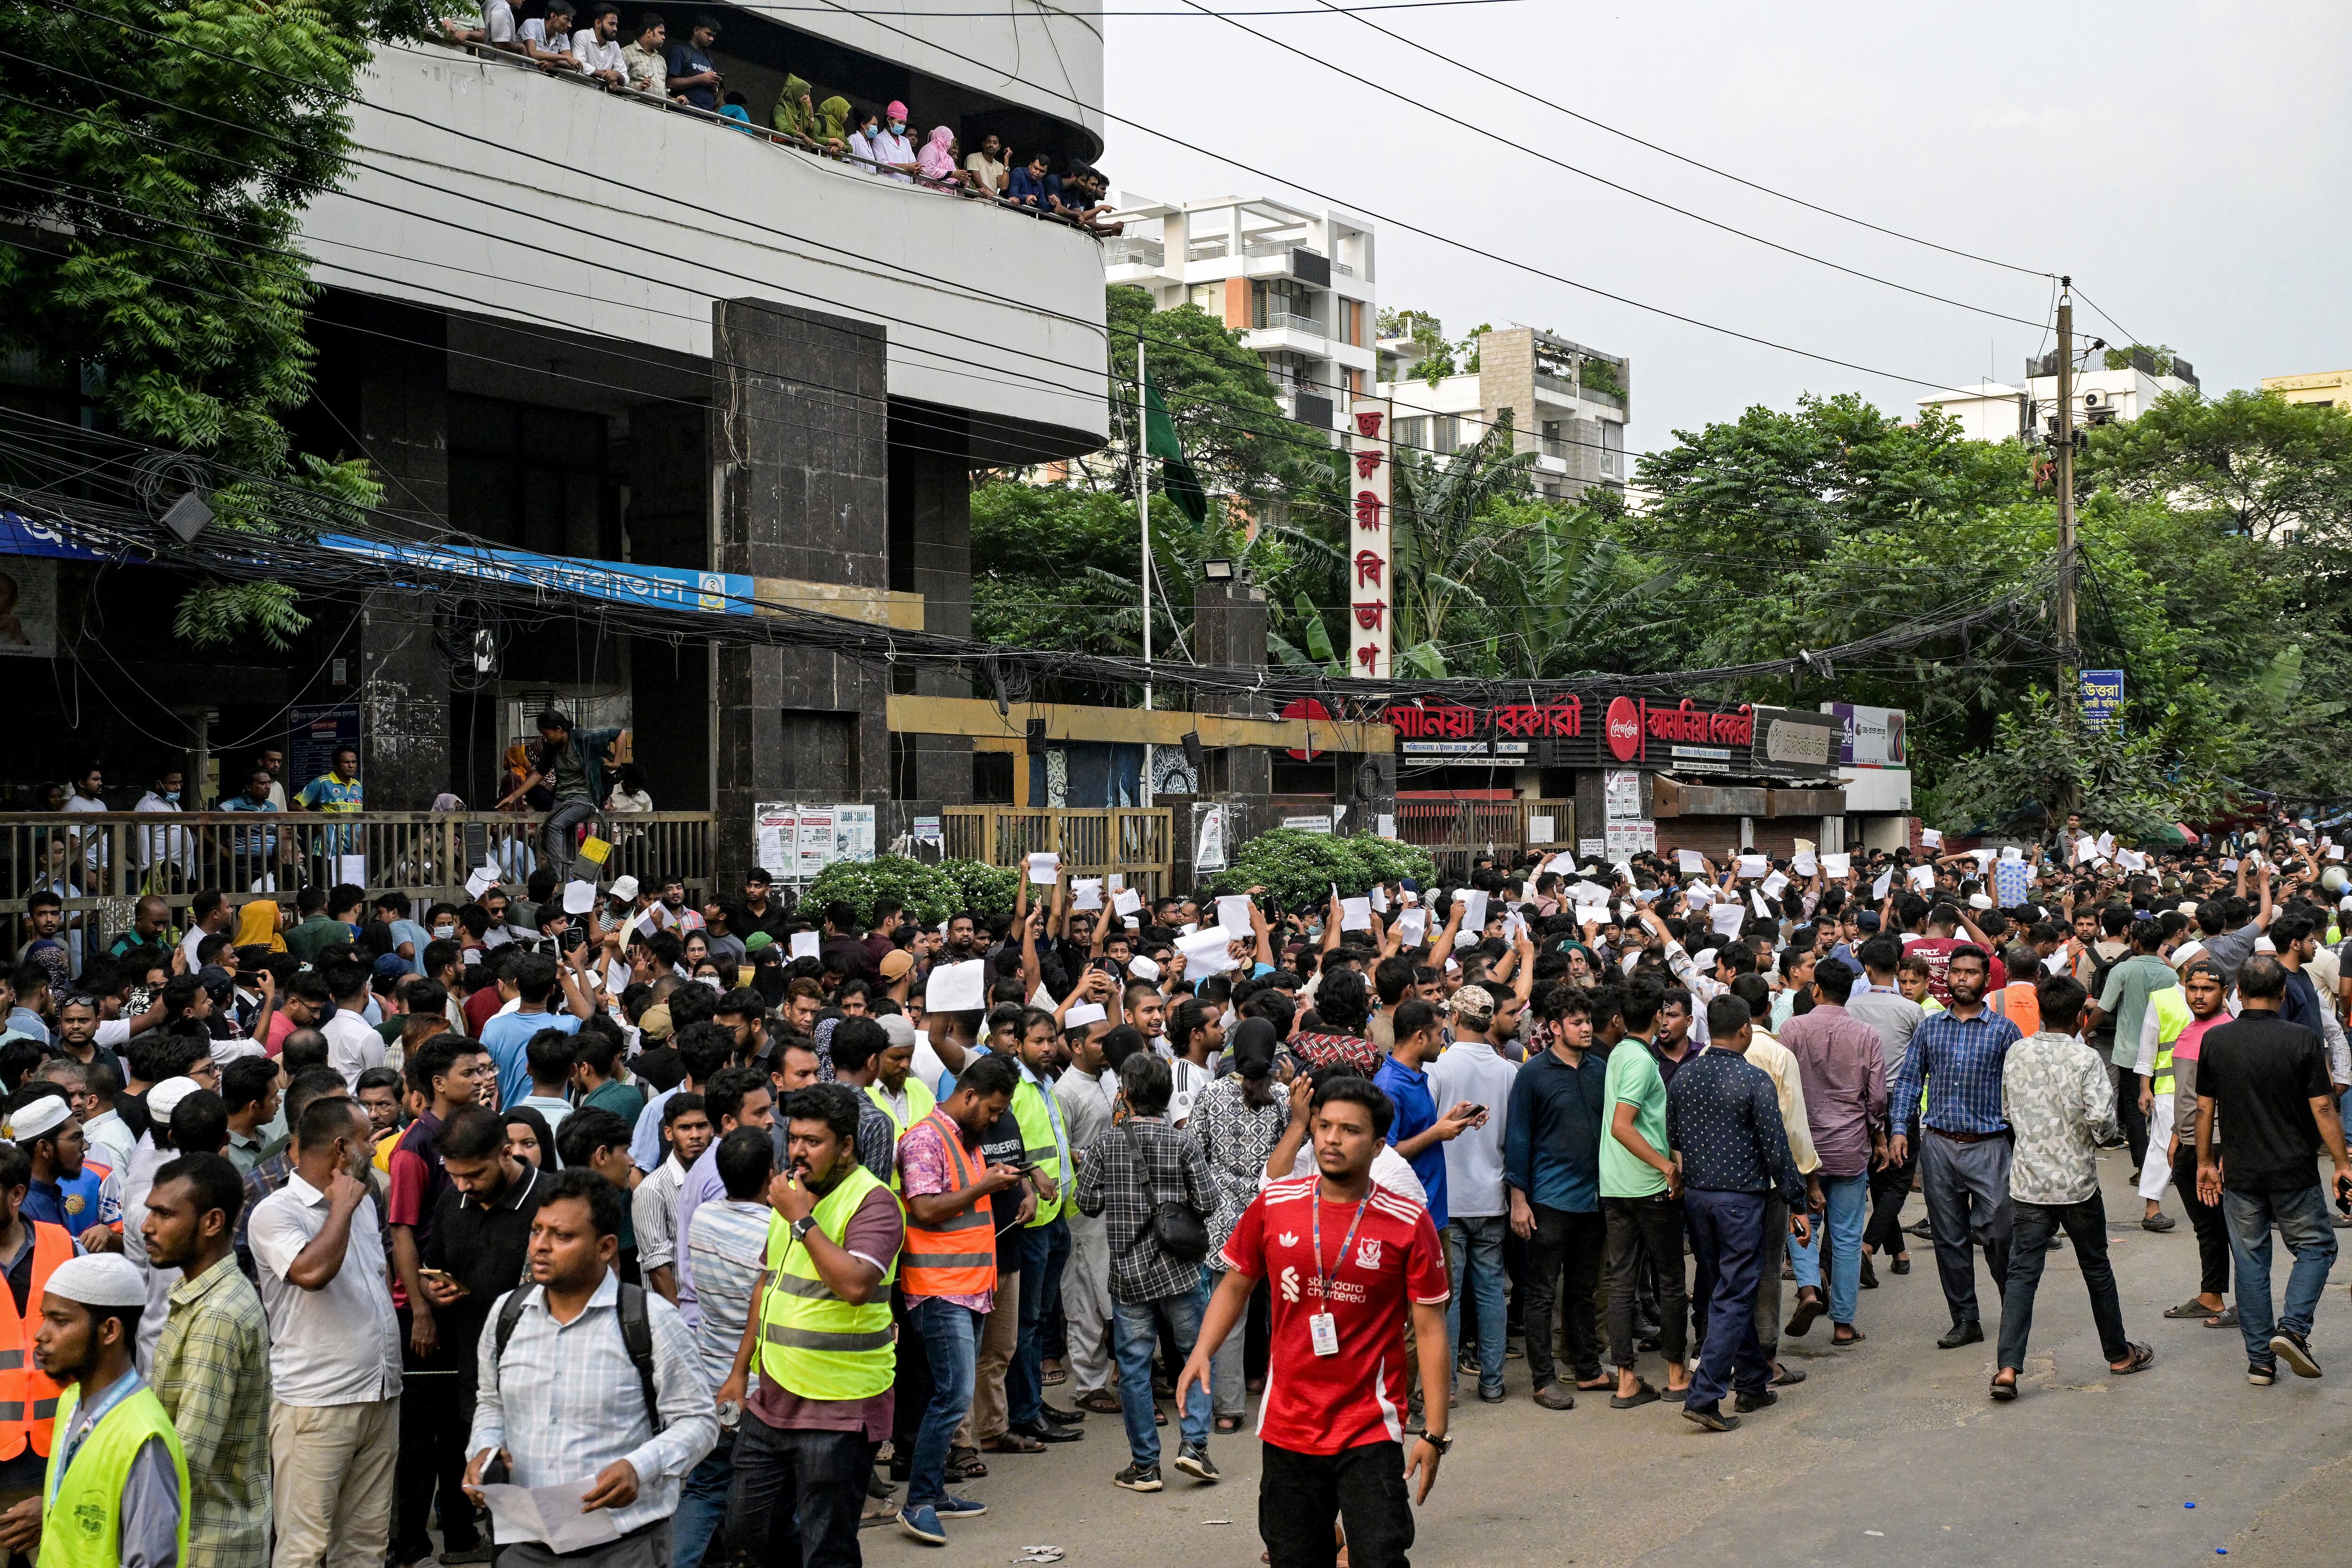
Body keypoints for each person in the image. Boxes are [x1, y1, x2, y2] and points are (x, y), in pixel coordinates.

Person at [1177, 1073, 1451, 1568]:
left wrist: (1433, 1433)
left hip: (1370, 1427)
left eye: (1350, 1130)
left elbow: (1430, 1329)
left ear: (1378, 1145)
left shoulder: (1408, 1222)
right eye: (1324, 1126)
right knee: (1294, 1558)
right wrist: (1202, 1351)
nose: (1331, 1139)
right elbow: (1236, 1284)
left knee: (1380, 1559)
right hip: (1288, 1426)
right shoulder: (1275, 1205)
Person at [463, 1170, 718, 1567]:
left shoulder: (649, 1320)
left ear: (606, 1247)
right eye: (537, 1230)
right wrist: (484, 1450)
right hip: (525, 1546)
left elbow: (699, 1420)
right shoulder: (507, 1314)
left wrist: (639, 1467)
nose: (540, 1246)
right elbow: (492, 1403)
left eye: (562, 1236)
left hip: (624, 1549)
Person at [717, 1082, 903, 1568]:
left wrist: (801, 1220)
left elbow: (856, 1285)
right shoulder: (791, 1197)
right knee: (746, 1527)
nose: (798, 1151)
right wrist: (739, 1373)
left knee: (827, 1545)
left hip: (839, 1407)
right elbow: (767, 1285)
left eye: (813, 1141)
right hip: (773, 1398)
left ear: (846, 1146)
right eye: (794, 1138)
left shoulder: (874, 1202)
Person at [248, 1094, 403, 1568]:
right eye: (365, 1140)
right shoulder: (277, 1211)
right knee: (304, 1547)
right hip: (316, 1404)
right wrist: (340, 1209)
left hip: (380, 1393)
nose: (372, 1149)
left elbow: (370, 1282)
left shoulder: (363, 1201)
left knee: (365, 1544)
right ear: (341, 1148)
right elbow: (311, 1273)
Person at [1990, 973, 2154, 1400]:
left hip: (2029, 1183)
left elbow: (2005, 1110)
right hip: (2077, 1183)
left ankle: (2007, 1368)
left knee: (2022, 1274)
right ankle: (2118, 1353)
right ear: (2082, 1015)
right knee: (2096, 1267)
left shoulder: (2017, 1052)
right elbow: (2102, 1120)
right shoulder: (2086, 1058)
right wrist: (2099, 1136)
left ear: (2041, 1012)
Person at [2195, 954, 2352, 1385]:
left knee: (2250, 1262)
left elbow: (2204, 1109)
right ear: (2283, 994)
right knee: (2317, 1247)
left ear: (2238, 992)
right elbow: (2323, 1107)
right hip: (2293, 1169)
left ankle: (2260, 1362)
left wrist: (2205, 1162)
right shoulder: (2302, 1039)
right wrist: (2342, 1163)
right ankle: (2294, 1328)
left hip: (2240, 1172)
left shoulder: (2216, 1040)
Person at [893, 1052, 1024, 1544]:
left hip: (968, 1288)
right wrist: (985, 1184)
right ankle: (918, 1502)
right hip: (940, 1291)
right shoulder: (925, 1139)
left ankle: (934, 1492)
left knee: (947, 1393)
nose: (994, 1120)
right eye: (991, 1110)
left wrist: (1000, 1182)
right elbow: (925, 1210)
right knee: (951, 1397)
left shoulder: (965, 1140)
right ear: (969, 1096)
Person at [1075, 1053, 1217, 1493]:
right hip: (1180, 1271)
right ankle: (1194, 1445)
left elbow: (1087, 1202)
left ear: (1126, 1095)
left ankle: (1145, 1466)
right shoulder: (1184, 1142)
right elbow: (1208, 1202)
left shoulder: (1106, 1144)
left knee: (1135, 1369)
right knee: (1195, 1354)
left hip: (1129, 1275)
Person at [1669, 995, 1809, 1433]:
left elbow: (1673, 1134)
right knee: (1735, 1293)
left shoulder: (1684, 1075)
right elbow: (1777, 1150)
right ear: (1745, 1030)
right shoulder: (1753, 1079)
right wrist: (1798, 1203)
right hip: (1740, 1201)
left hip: (1698, 1198)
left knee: (1728, 1289)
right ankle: (1705, 1394)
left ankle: (1752, 1381)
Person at [0, 1252, 188, 1568]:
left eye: (60, 1321)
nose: (41, 1335)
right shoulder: (71, 1401)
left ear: (109, 1331)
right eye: (44, 1318)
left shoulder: (142, 1437)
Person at [1887, 944, 2021, 1350]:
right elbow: (1909, 1080)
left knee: (2000, 1232)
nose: (1963, 978)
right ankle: (1965, 1319)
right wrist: (1898, 1128)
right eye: (1957, 972)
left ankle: (2014, 1308)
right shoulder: (1930, 1028)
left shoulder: (2004, 1031)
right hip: (1940, 1145)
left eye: (1971, 972)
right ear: (1947, 977)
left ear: (1986, 980)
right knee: (1949, 1237)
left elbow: (2020, 1090)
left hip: (1990, 1145)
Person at [141, 1152, 270, 1565]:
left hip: (208, 1542)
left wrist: (70, 1500)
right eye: (151, 1211)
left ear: (212, 1222)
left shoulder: (218, 1315)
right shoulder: (201, 1297)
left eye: (164, 1214)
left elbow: (184, 1458)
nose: (147, 1226)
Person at [672, 1129, 771, 1568]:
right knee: (772, 1495)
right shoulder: (775, 1231)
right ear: (770, 1174)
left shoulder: (704, 1217)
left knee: (706, 1487)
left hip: (710, 1375)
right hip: (756, 1382)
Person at [1504, 985, 1607, 1410]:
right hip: (1548, 1200)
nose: (1586, 1028)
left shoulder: (1600, 1069)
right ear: (1555, 1027)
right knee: (1541, 1293)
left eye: (1588, 1021)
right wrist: (1519, 1199)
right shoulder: (1533, 1073)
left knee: (1582, 1291)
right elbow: (1518, 1137)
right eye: (1577, 1022)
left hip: (1594, 1200)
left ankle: (1587, 1369)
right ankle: (1543, 1379)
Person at [1774, 957, 1886, 1346]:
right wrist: (1876, 1132)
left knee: (1802, 1220)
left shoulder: (1792, 1029)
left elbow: (1781, 1089)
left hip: (1804, 1147)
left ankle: (1808, 1288)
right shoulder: (1866, 1034)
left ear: (1816, 989)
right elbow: (1877, 1098)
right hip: (1850, 1146)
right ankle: (1843, 1323)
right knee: (1847, 1236)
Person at [1424, 983, 1517, 1405]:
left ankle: (1446, 1386)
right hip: (1492, 1196)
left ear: (1455, 1018)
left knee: (1450, 1295)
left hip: (1449, 1199)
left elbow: (1430, 1131)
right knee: (1491, 1291)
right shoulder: (1508, 1071)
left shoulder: (1439, 1069)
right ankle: (1493, 1381)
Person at [1599, 981, 1689, 1409]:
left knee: (1622, 1281)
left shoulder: (1622, 1052)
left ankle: (1627, 1380)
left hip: (1616, 1184)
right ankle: (1675, 1373)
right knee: (1670, 1280)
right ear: (1657, 1015)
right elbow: (1623, 1124)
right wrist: (1666, 1166)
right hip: (1647, 1186)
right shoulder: (1638, 1059)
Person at [664, 13, 721, 110]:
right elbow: (670, 83)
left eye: (713, 36)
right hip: (685, 111)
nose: (711, 39)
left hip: (706, 114)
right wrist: (700, 78)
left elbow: (716, 94)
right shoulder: (680, 51)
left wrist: (714, 87)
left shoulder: (709, 59)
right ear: (696, 30)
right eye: (708, 34)